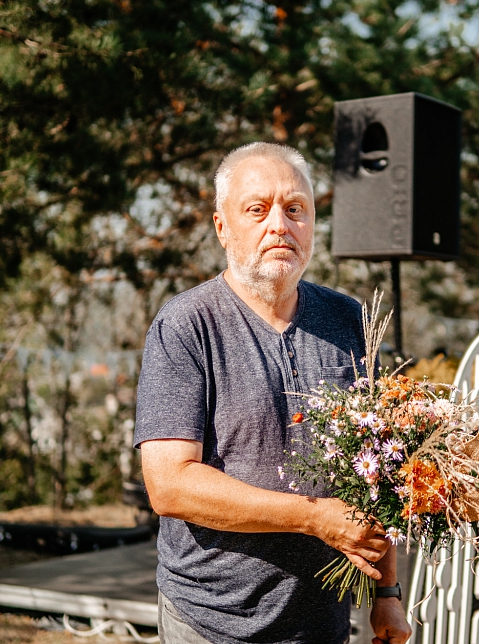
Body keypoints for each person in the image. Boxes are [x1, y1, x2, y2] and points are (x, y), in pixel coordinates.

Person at [134, 142, 412, 644]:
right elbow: (169, 485)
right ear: (222, 227)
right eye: (257, 210)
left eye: (295, 210)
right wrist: (312, 518)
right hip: (212, 620)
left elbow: (379, 469)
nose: (279, 225)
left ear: (312, 225)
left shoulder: (349, 320)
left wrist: (387, 595)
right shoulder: (185, 324)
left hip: (323, 621)